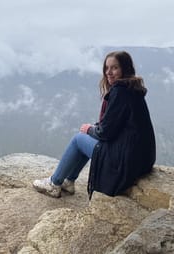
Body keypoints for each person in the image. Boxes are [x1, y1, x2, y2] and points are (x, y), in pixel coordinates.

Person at [33, 50, 156, 199]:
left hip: (125, 160)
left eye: (114, 68)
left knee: (79, 139)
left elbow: (105, 133)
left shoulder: (120, 92)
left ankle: (54, 183)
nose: (108, 72)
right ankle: (68, 181)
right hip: (142, 159)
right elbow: (116, 125)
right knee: (87, 136)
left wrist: (90, 129)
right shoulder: (133, 89)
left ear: (125, 69)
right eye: (106, 68)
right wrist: (94, 130)